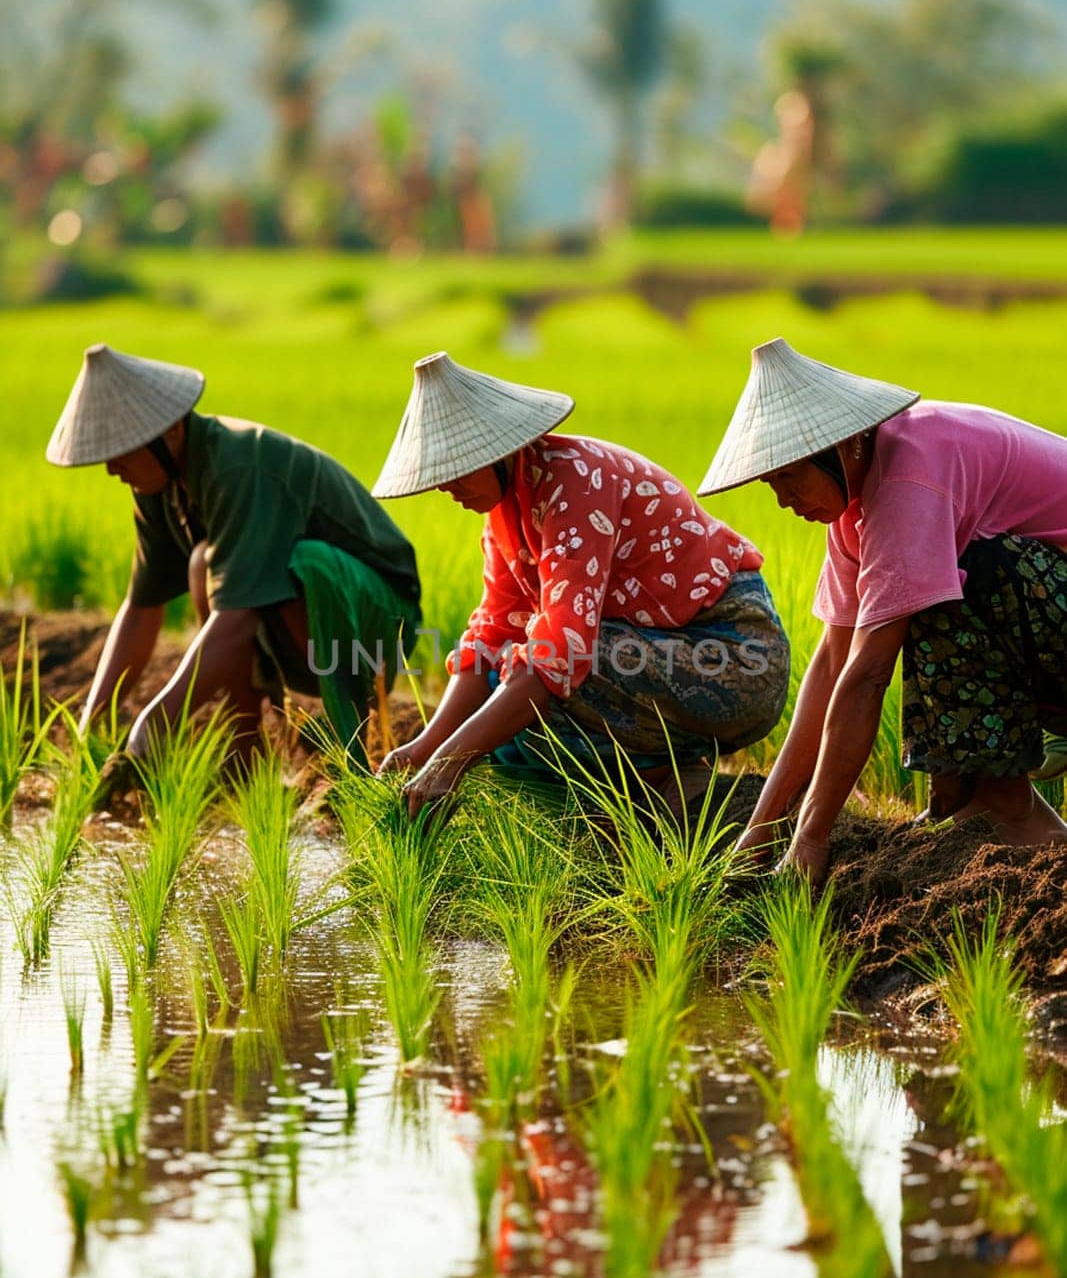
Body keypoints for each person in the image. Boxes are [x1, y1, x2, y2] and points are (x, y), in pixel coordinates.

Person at [697, 337, 1067, 882]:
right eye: (770, 483)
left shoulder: (908, 478)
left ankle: (1008, 808)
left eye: (787, 477)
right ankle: (958, 799)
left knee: (959, 580)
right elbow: (832, 665)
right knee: (924, 585)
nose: (781, 499)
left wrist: (812, 837)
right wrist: (764, 828)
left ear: (838, 447)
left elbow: (868, 675)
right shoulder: (855, 505)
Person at [371, 351, 789, 815]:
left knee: (533, 675)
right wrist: (426, 748)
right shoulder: (505, 518)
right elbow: (490, 636)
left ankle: (664, 777)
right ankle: (637, 789)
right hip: (654, 652)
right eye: (437, 478)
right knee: (504, 702)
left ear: (497, 451)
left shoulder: (576, 480)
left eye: (453, 471)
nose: (446, 489)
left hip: (734, 657)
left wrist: (450, 763)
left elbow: (561, 652)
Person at [47, 344, 421, 764]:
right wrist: (91, 726)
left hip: (377, 630)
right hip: (304, 627)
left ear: (169, 432)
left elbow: (238, 617)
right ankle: (245, 754)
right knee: (204, 561)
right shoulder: (158, 483)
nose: (112, 469)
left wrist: (154, 724)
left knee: (306, 563)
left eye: (121, 451)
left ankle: (344, 751)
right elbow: (142, 608)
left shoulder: (239, 467)